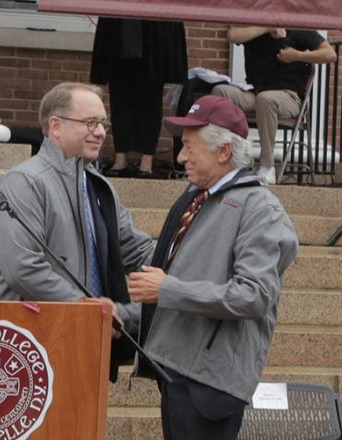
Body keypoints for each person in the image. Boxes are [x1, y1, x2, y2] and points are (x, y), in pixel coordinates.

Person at [128, 95, 299, 439]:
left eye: (191, 147)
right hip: (178, 370)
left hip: (209, 382)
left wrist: (167, 290)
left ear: (223, 152)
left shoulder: (260, 209)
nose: (180, 157)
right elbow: (172, 264)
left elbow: (253, 296)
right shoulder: (197, 196)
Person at [0, 82, 155, 381]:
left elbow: (136, 250)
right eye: (90, 122)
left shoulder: (99, 187)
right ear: (55, 126)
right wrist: (85, 308)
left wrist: (189, 258)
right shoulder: (26, 181)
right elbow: (22, 267)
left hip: (82, 338)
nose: (100, 132)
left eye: (103, 123)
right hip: (21, 350)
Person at [212, 27, 336, 184]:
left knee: (266, 99)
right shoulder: (255, 29)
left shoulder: (297, 28)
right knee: (220, 91)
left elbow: (330, 54)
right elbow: (231, 35)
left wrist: (296, 56)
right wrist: (267, 28)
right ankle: (223, 159)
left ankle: (267, 166)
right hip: (255, 93)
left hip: (289, 97)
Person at [90, 18, 188, 178]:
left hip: (153, 35)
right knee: (119, 101)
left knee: (151, 102)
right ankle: (120, 158)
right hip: (120, 30)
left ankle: (146, 162)